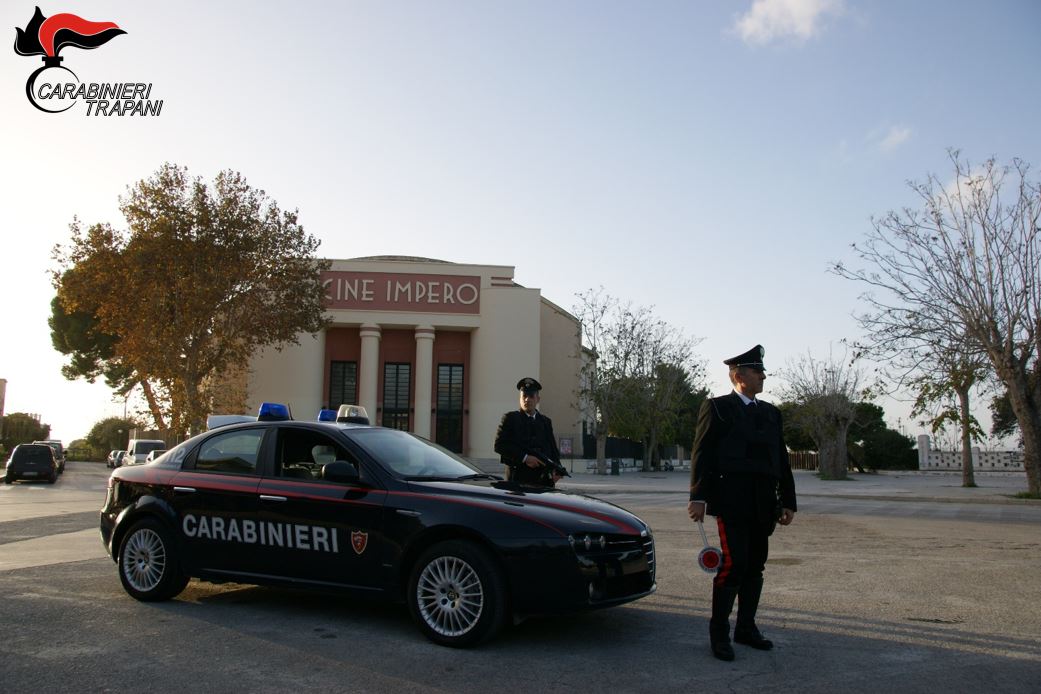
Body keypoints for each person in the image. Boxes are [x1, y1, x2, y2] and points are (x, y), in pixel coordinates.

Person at [687, 345, 797, 661]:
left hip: (763, 503)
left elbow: (781, 460)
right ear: (739, 375)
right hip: (732, 501)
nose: (763, 376)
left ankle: (746, 628)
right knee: (732, 566)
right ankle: (719, 632)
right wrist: (698, 497)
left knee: (755, 567)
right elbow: (702, 454)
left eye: (762, 371)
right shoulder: (718, 408)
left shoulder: (771, 413)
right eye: (756, 371)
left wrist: (787, 500)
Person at [494, 377, 563, 487]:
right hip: (518, 482)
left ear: (537, 399)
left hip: (543, 481)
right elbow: (499, 445)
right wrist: (525, 458)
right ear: (520, 399)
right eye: (524, 396)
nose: (527, 399)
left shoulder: (545, 422)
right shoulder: (510, 419)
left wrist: (558, 470)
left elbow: (553, 449)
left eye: (531, 396)